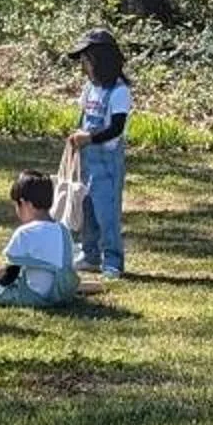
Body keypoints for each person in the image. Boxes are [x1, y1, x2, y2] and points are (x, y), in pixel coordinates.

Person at [63, 27, 132, 279]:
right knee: (86, 208)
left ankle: (112, 259)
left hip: (107, 163)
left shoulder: (119, 92)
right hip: (86, 160)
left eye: (87, 61)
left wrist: (90, 137)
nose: (84, 67)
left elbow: (116, 127)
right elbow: (84, 116)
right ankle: (90, 254)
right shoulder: (90, 88)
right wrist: (76, 136)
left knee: (106, 211)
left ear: (102, 62)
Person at [0, 169, 78, 309]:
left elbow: (9, 274)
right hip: (61, 293)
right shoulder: (63, 230)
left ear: (24, 203)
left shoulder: (25, 232)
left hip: (33, 296)